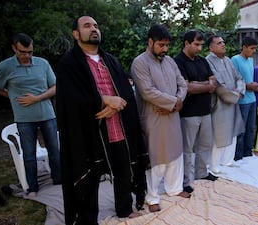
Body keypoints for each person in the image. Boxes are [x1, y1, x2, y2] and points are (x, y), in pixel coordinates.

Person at [56, 16, 149, 224]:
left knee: (123, 170)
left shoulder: (112, 61)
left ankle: (124, 209)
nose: (94, 29)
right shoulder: (69, 64)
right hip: (90, 132)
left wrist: (118, 104)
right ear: (76, 34)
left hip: (118, 128)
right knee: (90, 177)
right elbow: (69, 98)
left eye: (96, 26)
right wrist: (104, 101)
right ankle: (88, 219)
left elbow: (126, 91)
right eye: (87, 26)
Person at [130, 24, 190, 213]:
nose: (164, 49)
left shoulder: (170, 61)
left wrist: (178, 100)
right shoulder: (140, 63)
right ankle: (152, 197)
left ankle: (174, 188)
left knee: (175, 153)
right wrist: (174, 102)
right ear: (150, 42)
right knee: (155, 158)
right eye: (161, 45)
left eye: (167, 45)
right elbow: (147, 92)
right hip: (153, 118)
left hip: (172, 116)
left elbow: (183, 83)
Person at [0, 33, 61, 196]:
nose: (27, 55)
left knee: (54, 150)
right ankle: (32, 188)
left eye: (30, 51)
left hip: (47, 114)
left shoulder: (42, 63)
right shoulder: (5, 67)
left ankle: (58, 181)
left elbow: (55, 86)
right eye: (23, 52)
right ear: (14, 49)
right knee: (29, 154)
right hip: (24, 118)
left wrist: (37, 98)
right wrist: (11, 96)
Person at [174, 30, 218, 194]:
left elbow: (214, 80)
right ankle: (185, 181)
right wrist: (206, 85)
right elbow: (186, 87)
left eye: (201, 44)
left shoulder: (202, 61)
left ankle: (202, 173)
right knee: (186, 149)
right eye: (196, 44)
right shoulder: (178, 61)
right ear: (186, 43)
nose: (200, 48)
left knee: (205, 145)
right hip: (188, 113)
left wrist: (198, 84)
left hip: (205, 111)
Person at [205, 35, 245, 174]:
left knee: (233, 132)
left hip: (233, 102)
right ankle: (214, 165)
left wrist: (239, 90)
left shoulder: (228, 60)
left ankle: (227, 161)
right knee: (219, 135)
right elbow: (218, 85)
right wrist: (234, 96)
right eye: (219, 43)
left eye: (223, 42)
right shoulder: (208, 62)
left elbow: (239, 78)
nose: (223, 44)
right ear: (211, 47)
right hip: (220, 104)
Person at [231, 36, 258, 161]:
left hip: (252, 98)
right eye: (252, 48)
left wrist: (253, 85)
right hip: (242, 99)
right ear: (244, 47)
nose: (253, 51)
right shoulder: (235, 59)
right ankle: (238, 155)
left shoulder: (250, 61)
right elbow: (233, 79)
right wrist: (247, 86)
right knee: (241, 129)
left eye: (255, 49)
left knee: (251, 127)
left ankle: (248, 152)